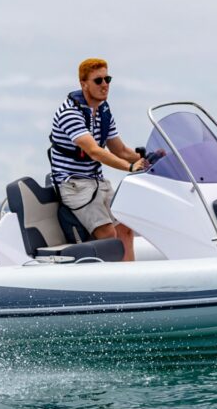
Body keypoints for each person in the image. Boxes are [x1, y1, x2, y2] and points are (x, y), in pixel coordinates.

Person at [48, 58, 149, 261]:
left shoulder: (103, 112)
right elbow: (95, 151)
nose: (105, 85)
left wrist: (150, 158)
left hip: (97, 182)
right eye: (98, 80)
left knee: (125, 228)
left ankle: (131, 281)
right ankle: (114, 286)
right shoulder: (70, 113)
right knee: (108, 235)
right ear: (83, 84)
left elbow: (120, 149)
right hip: (74, 185)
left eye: (107, 79)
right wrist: (130, 167)